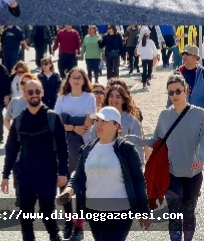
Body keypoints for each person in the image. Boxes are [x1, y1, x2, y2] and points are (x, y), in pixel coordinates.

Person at [127, 74, 204, 241]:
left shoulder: (200, 115)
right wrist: (136, 140)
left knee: (189, 214)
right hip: (171, 173)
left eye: (178, 91)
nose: (175, 95)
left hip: (193, 173)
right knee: (175, 215)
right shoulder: (164, 116)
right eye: (171, 92)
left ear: (186, 90)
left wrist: (200, 157)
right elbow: (156, 141)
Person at [62, 107, 150, 241]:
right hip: (93, 212)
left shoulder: (127, 150)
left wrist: (144, 212)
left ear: (117, 126)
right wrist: (69, 190)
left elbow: (139, 182)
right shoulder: (88, 149)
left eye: (104, 121)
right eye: (97, 120)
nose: (99, 124)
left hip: (120, 212)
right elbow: (79, 176)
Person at [2, 78, 68, 241]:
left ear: (42, 93)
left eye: (37, 91)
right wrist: (5, 175)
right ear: (24, 94)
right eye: (30, 92)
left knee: (47, 212)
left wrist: (63, 173)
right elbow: (11, 149)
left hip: (48, 173)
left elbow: (62, 148)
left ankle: (54, 236)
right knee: (25, 215)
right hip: (25, 175)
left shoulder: (53, 118)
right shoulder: (19, 120)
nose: (34, 95)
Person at [54, 66, 96, 240]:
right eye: (74, 77)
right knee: (64, 183)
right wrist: (72, 125)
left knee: (79, 184)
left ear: (84, 80)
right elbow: (56, 121)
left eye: (80, 77)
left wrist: (69, 121)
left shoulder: (89, 97)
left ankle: (79, 225)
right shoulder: (62, 98)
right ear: (69, 80)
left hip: (82, 143)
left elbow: (89, 121)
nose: (77, 80)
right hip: (63, 144)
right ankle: (68, 221)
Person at [105, 83, 145, 162]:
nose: (114, 100)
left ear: (123, 100)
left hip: (125, 165)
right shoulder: (101, 118)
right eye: (111, 96)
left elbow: (139, 150)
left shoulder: (132, 121)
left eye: (118, 97)